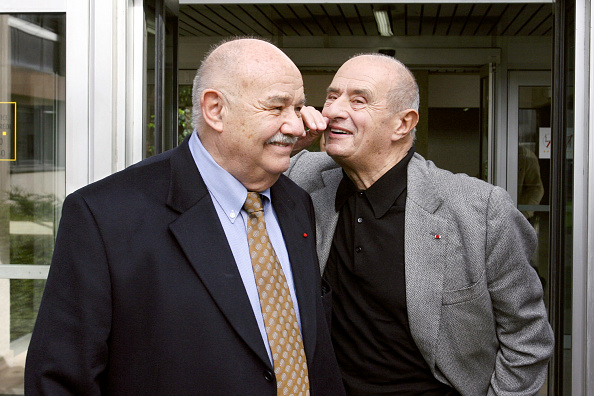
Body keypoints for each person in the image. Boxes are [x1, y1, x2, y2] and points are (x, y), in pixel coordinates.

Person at [25, 38, 345, 396]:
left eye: (299, 107)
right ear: (215, 109)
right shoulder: (105, 215)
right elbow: (60, 380)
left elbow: (311, 350)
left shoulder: (296, 203)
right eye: (277, 107)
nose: (298, 126)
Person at [286, 53, 555, 395]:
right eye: (332, 96)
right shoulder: (302, 174)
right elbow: (221, 191)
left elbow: (527, 338)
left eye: (358, 100)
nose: (333, 110)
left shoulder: (480, 211)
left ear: (403, 123)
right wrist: (287, 143)